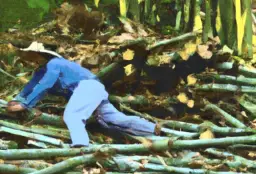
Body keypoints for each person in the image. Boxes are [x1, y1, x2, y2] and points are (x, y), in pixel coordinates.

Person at [7, 42, 157, 147]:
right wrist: (16, 100)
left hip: (87, 88)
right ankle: (153, 129)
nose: (25, 57)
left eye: (28, 54)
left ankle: (81, 146)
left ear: (38, 54)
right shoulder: (41, 71)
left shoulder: (55, 63)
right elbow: (30, 86)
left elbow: (45, 85)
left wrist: (25, 104)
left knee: (72, 116)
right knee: (114, 118)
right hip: (94, 89)